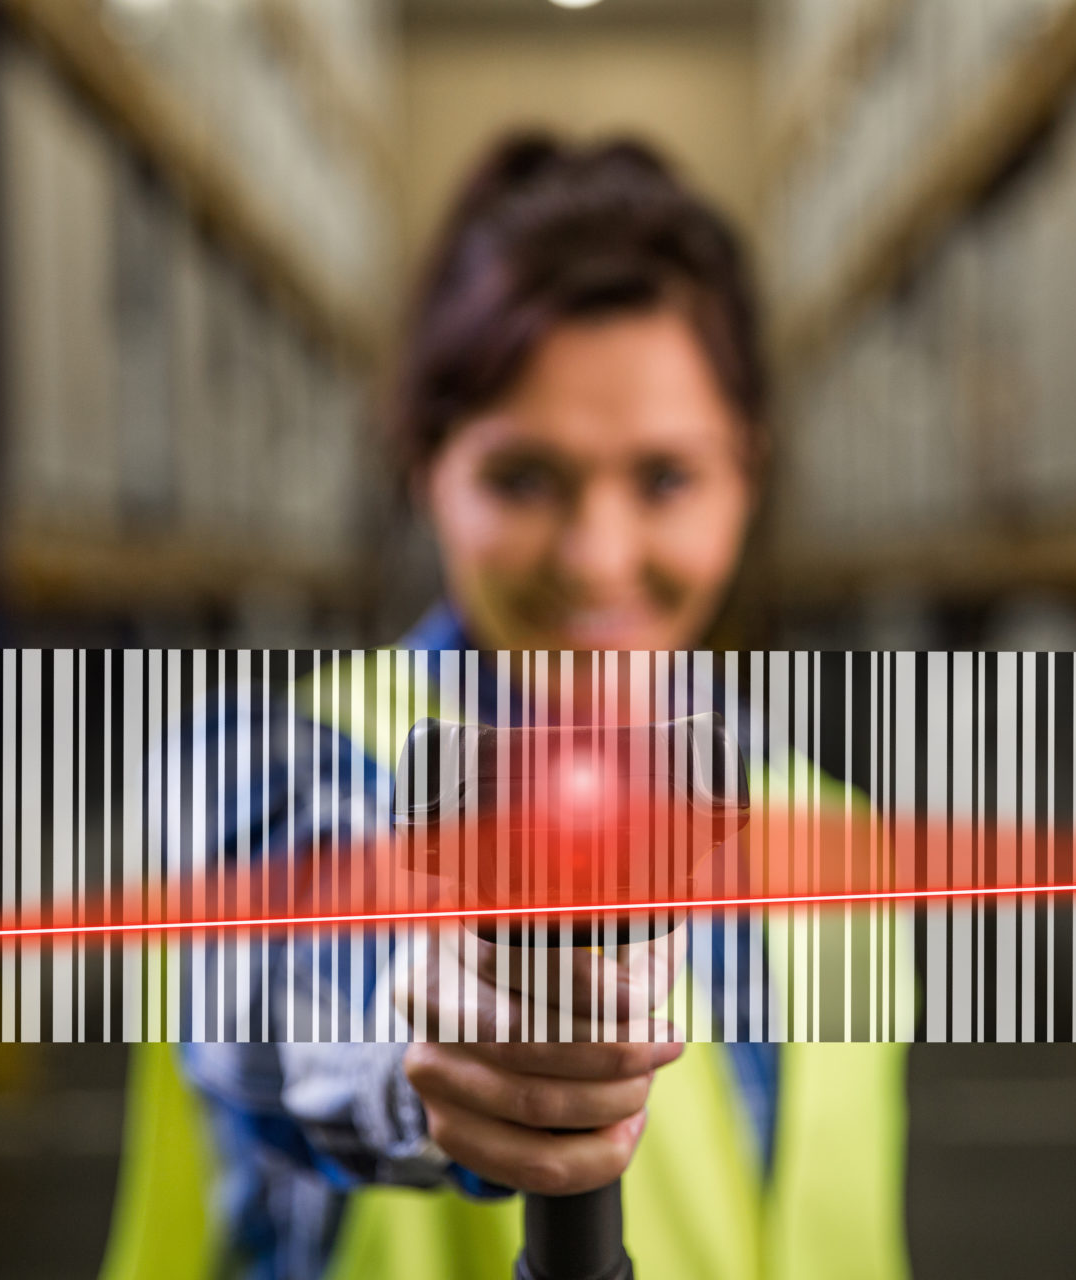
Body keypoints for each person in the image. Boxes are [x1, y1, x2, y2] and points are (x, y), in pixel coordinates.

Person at [100, 131, 912, 1280]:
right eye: (526, 477)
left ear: (750, 472)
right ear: (429, 462)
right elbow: (279, 1001)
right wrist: (434, 1070)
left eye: (666, 478)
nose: (597, 556)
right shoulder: (275, 765)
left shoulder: (828, 831)